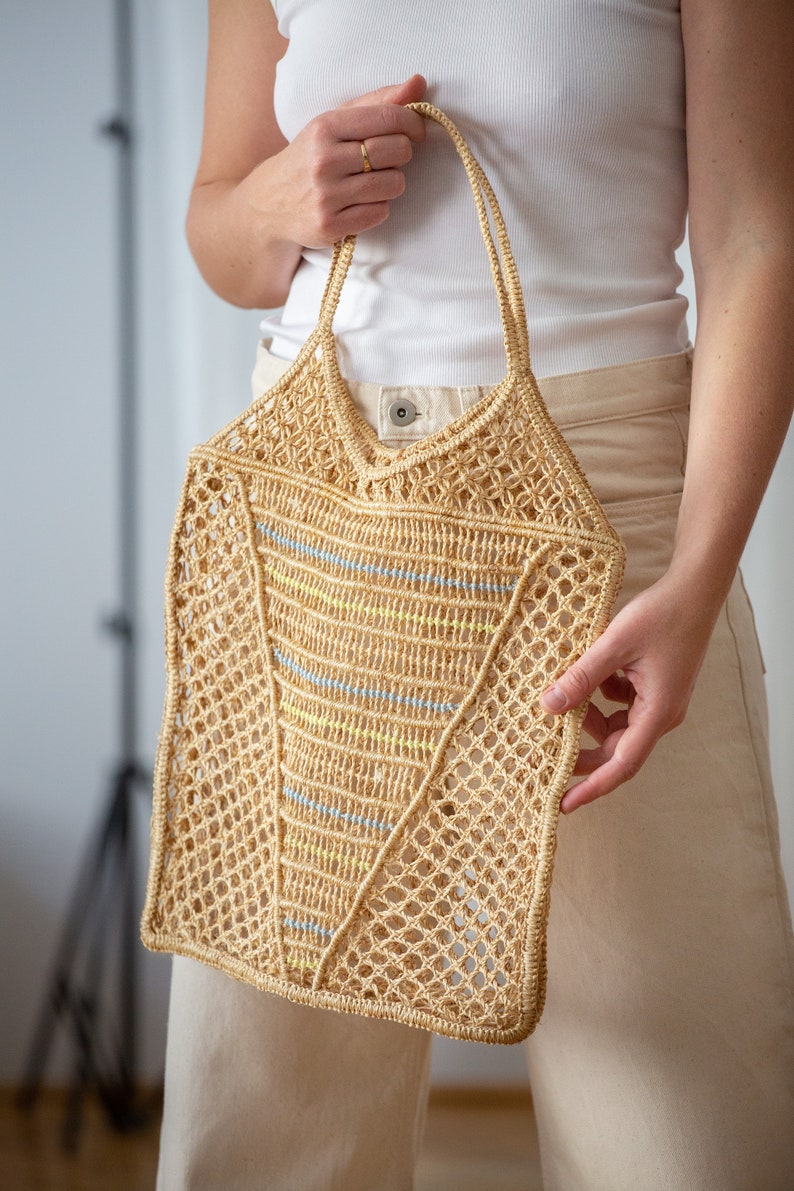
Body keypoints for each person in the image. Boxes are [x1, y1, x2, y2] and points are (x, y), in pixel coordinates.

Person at [155, 1, 794, 1187]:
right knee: (267, 1117)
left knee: (674, 1119)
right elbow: (220, 231)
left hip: (604, 509)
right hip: (316, 495)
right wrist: (274, 204)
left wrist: (699, 580)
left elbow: (758, 237)